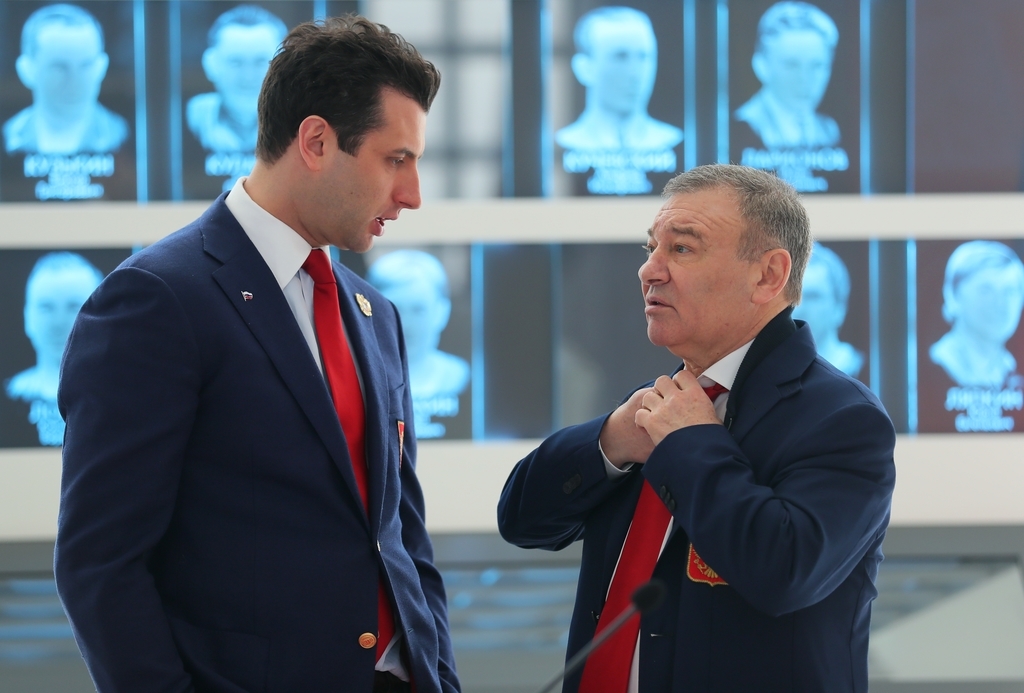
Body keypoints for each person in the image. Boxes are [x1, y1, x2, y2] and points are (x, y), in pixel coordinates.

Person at [55, 16, 457, 693]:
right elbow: (101, 564)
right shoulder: (157, 300)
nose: (412, 194)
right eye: (396, 160)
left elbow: (402, 539)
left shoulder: (375, 313)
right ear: (316, 141)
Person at [498, 164, 895, 693]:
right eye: (651, 248)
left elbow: (783, 574)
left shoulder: (843, 418)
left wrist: (689, 443)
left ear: (768, 276)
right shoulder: (660, 403)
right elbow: (522, 522)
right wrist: (611, 442)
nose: (649, 270)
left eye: (682, 248)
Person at [367, 250, 469, 439]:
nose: (407, 324)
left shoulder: (461, 376)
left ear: (442, 312)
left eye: (418, 310)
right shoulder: (361, 378)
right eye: (395, 310)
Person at [5, 252, 102, 446]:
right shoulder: (9, 396)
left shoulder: (123, 399)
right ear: (27, 317)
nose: (58, 323)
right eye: (46, 308)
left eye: (74, 307)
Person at [4, 3, 128, 155]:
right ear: (27, 70)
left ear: (101, 67)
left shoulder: (122, 134)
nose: (75, 83)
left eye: (86, 66)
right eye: (59, 68)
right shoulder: (8, 134)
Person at [556, 6, 682, 153]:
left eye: (643, 57)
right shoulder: (563, 141)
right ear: (584, 68)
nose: (635, 73)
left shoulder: (673, 140)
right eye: (620, 57)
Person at [734, 1, 840, 149]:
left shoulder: (828, 130)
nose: (804, 79)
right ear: (761, 66)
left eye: (817, 66)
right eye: (791, 65)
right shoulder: (743, 125)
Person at [186, 5, 287, 154]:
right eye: (235, 63)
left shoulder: (299, 120)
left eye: (260, 62)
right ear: (211, 65)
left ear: (284, 66)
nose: (248, 77)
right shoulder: (193, 116)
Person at [929, 240, 1024, 388]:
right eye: (986, 291)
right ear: (953, 296)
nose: (1000, 304)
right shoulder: (938, 362)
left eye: (1009, 291)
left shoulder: (1011, 367)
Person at [792, 241, 863, 377]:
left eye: (813, 297)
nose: (800, 308)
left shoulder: (860, 369)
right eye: (795, 297)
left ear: (839, 308)